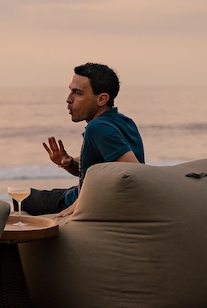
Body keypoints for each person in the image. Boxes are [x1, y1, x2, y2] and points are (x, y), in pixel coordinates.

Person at [22, 62, 144, 218]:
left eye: (77, 93)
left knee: (21, 200)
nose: (68, 99)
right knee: (26, 195)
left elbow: (135, 174)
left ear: (102, 99)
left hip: (76, 200)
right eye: (70, 91)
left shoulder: (98, 127)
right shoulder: (124, 121)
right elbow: (107, 164)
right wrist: (70, 163)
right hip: (75, 193)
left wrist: (83, 202)